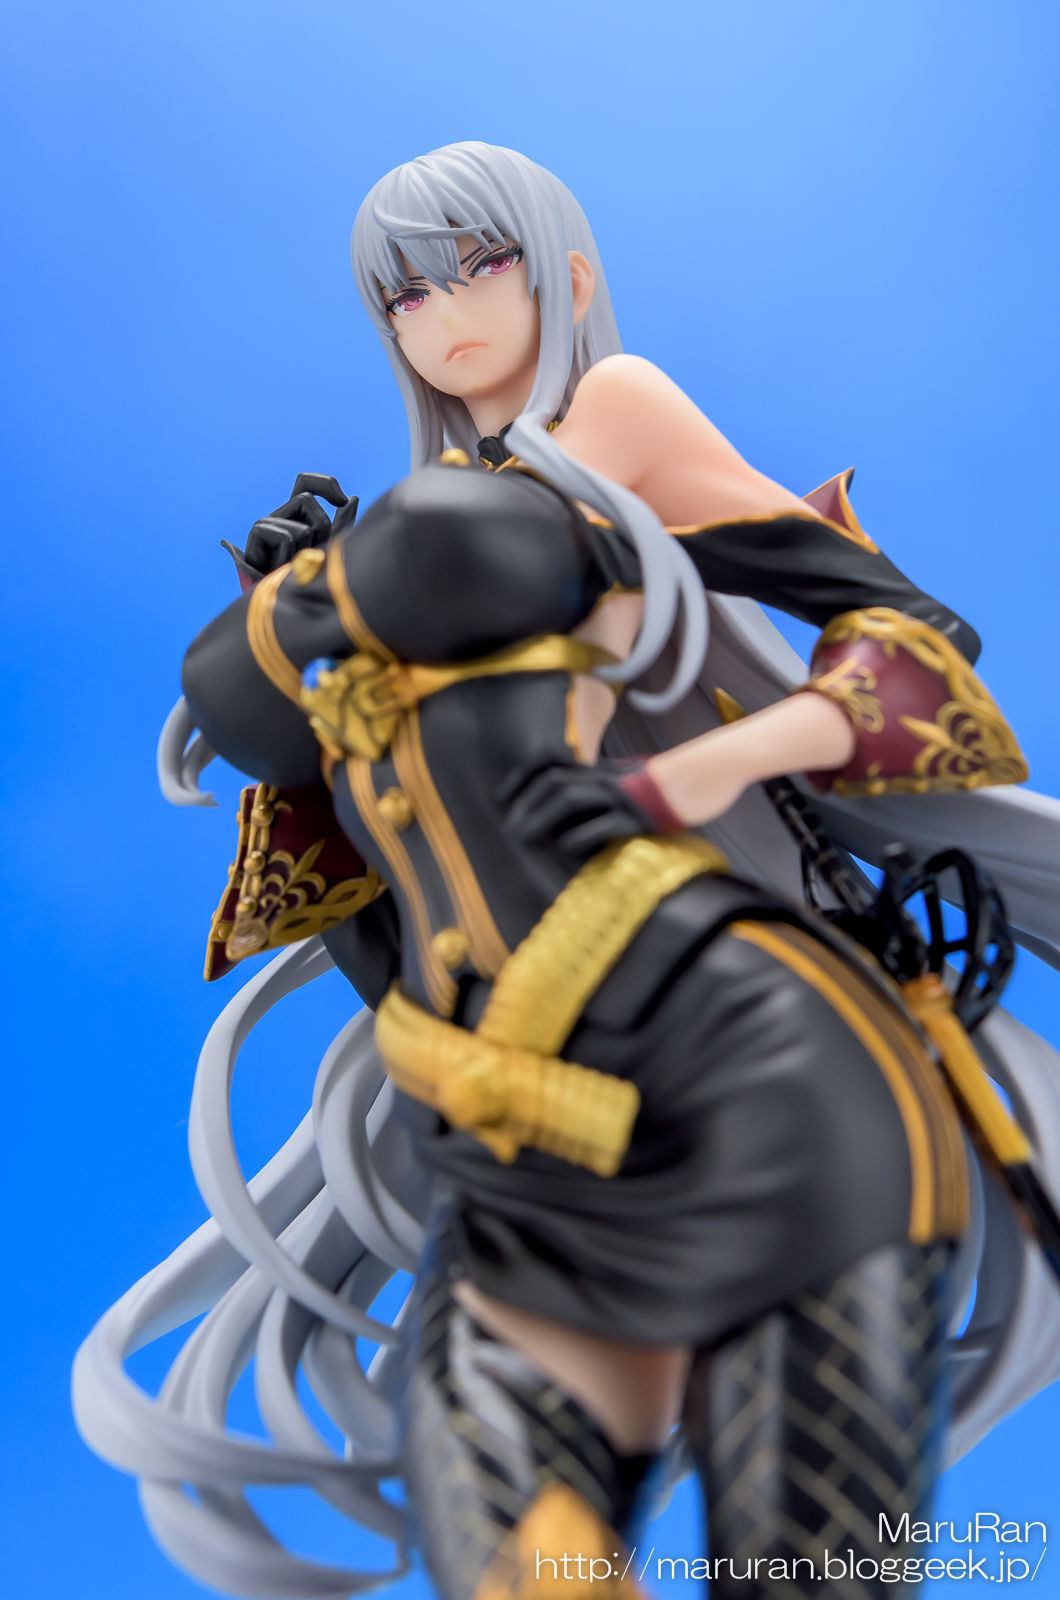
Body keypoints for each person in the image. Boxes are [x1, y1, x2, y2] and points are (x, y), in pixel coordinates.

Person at [76, 143, 1060, 1600]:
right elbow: (396, 884)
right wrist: (302, 640)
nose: (441, 314)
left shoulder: (613, 413)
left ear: (565, 272)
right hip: (536, 1117)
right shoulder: (409, 522)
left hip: (748, 1048)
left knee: (809, 1574)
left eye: (474, 267)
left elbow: (906, 629)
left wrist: (716, 767)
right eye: (403, 294)